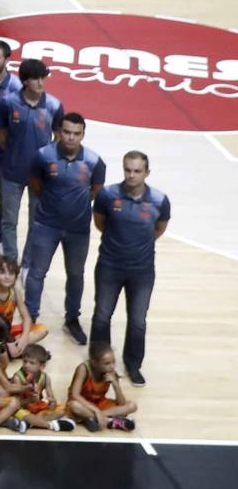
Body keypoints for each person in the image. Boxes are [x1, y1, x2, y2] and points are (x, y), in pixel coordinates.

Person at [91, 151, 167, 386]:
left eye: (137, 171)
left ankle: (133, 365)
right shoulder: (107, 195)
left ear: (147, 173)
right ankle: (98, 363)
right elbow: (100, 223)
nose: (131, 175)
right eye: (128, 170)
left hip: (142, 271)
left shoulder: (159, 200)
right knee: (103, 316)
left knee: (137, 321)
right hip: (109, 266)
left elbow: (159, 229)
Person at [25, 112, 102, 343]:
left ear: (83, 135)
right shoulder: (43, 155)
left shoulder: (94, 161)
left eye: (76, 134)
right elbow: (35, 184)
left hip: (78, 229)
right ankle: (31, 318)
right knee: (37, 273)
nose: (70, 138)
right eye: (66, 132)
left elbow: (96, 188)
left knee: (76, 275)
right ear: (59, 132)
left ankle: (72, 319)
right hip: (45, 225)